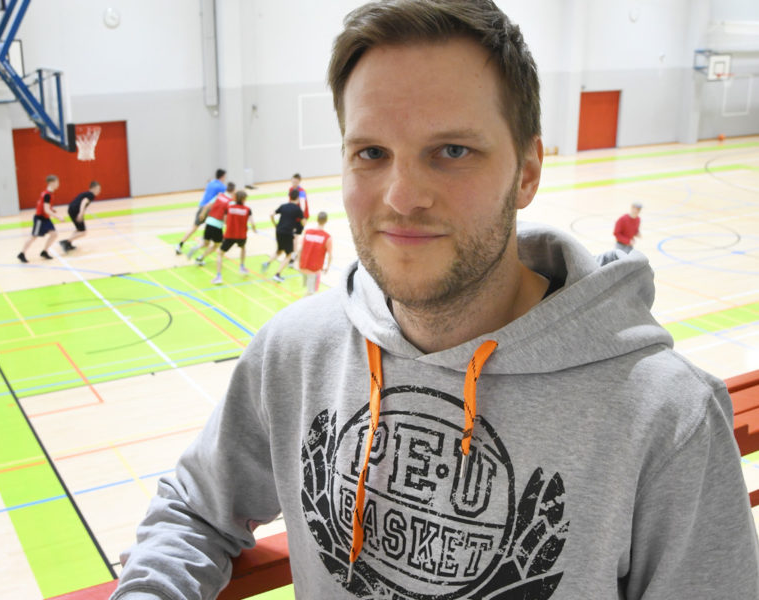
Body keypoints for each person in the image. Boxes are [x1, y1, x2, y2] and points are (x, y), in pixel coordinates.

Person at [112, 1, 759, 599]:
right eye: (371, 152)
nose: (402, 196)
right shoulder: (296, 352)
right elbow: (195, 509)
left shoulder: (668, 419)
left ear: (528, 171)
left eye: (452, 151)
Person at [176, 168, 227, 254]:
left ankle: (180, 245)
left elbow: (210, 183)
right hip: (210, 209)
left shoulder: (210, 183)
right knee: (217, 225)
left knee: (194, 227)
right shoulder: (222, 187)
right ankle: (215, 243)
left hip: (201, 207)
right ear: (222, 176)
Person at [212, 190, 257, 285]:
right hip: (242, 235)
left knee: (220, 253)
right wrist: (254, 230)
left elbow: (225, 221)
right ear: (244, 199)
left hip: (230, 235)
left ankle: (219, 276)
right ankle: (242, 267)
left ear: (235, 198)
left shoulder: (229, 208)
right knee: (243, 247)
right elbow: (252, 223)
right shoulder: (247, 209)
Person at [261, 188, 304, 283]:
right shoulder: (298, 209)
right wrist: (298, 228)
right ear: (298, 198)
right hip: (287, 233)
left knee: (279, 250)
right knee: (289, 255)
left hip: (279, 231)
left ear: (290, 197)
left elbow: (271, 214)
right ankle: (277, 274)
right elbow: (303, 222)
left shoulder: (283, 206)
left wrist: (274, 224)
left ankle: (267, 263)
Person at [189, 182, 235, 265]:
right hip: (217, 225)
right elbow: (226, 217)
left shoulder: (219, 195)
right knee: (217, 245)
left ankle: (195, 248)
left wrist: (202, 214)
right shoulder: (231, 202)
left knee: (205, 243)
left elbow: (207, 205)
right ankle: (200, 258)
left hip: (209, 222)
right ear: (233, 191)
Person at [17, 174, 60, 262]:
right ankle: (22, 253)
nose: (58, 184)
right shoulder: (47, 195)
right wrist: (58, 217)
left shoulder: (47, 193)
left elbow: (43, 206)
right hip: (40, 219)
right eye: (57, 182)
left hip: (45, 218)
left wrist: (51, 209)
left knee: (54, 234)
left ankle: (44, 251)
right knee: (33, 237)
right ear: (51, 183)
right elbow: (46, 210)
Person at [298, 211, 333, 296]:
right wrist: (327, 267)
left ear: (317, 219)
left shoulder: (307, 232)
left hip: (303, 266)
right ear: (326, 221)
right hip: (314, 269)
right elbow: (330, 255)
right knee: (311, 293)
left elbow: (300, 249)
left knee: (309, 290)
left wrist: (299, 262)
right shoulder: (327, 237)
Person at [60, 181, 101, 252]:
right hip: (75, 210)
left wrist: (81, 212)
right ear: (93, 188)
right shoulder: (91, 195)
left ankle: (68, 243)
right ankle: (66, 242)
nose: (99, 191)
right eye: (98, 189)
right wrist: (80, 213)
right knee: (83, 232)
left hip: (71, 209)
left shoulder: (86, 193)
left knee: (79, 229)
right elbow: (84, 202)